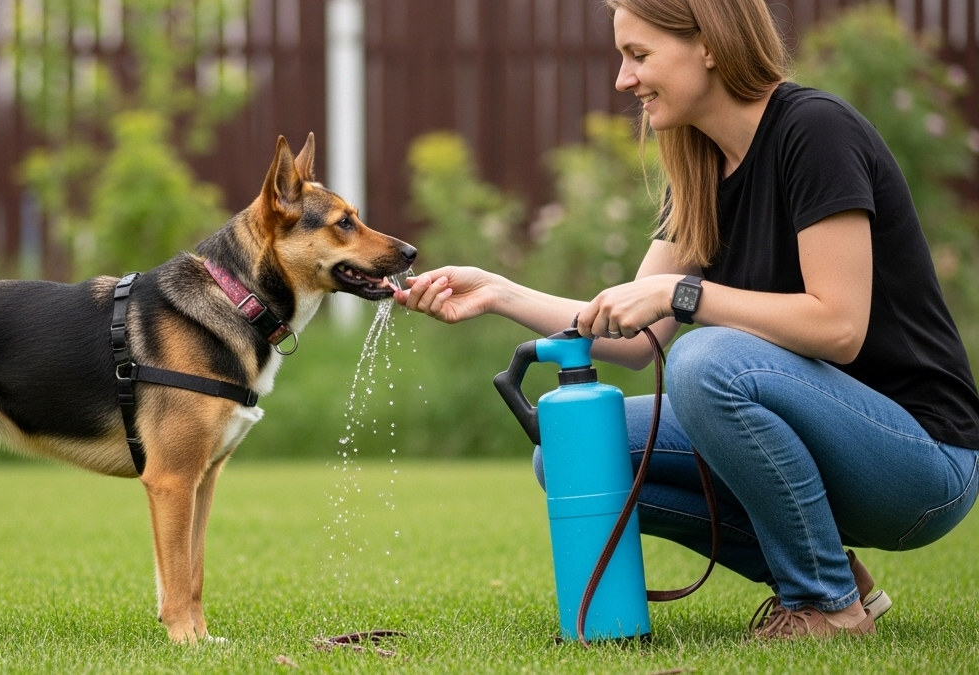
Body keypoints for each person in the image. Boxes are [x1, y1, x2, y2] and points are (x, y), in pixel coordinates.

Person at [394, 0, 979, 639]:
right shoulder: (701, 164)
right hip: (828, 446)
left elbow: (838, 327)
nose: (623, 79)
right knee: (572, 450)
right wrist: (497, 292)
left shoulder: (815, 132)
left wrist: (684, 294)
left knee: (706, 362)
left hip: (920, 462)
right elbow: (635, 337)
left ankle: (825, 606)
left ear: (710, 44)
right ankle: (834, 574)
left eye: (639, 55)